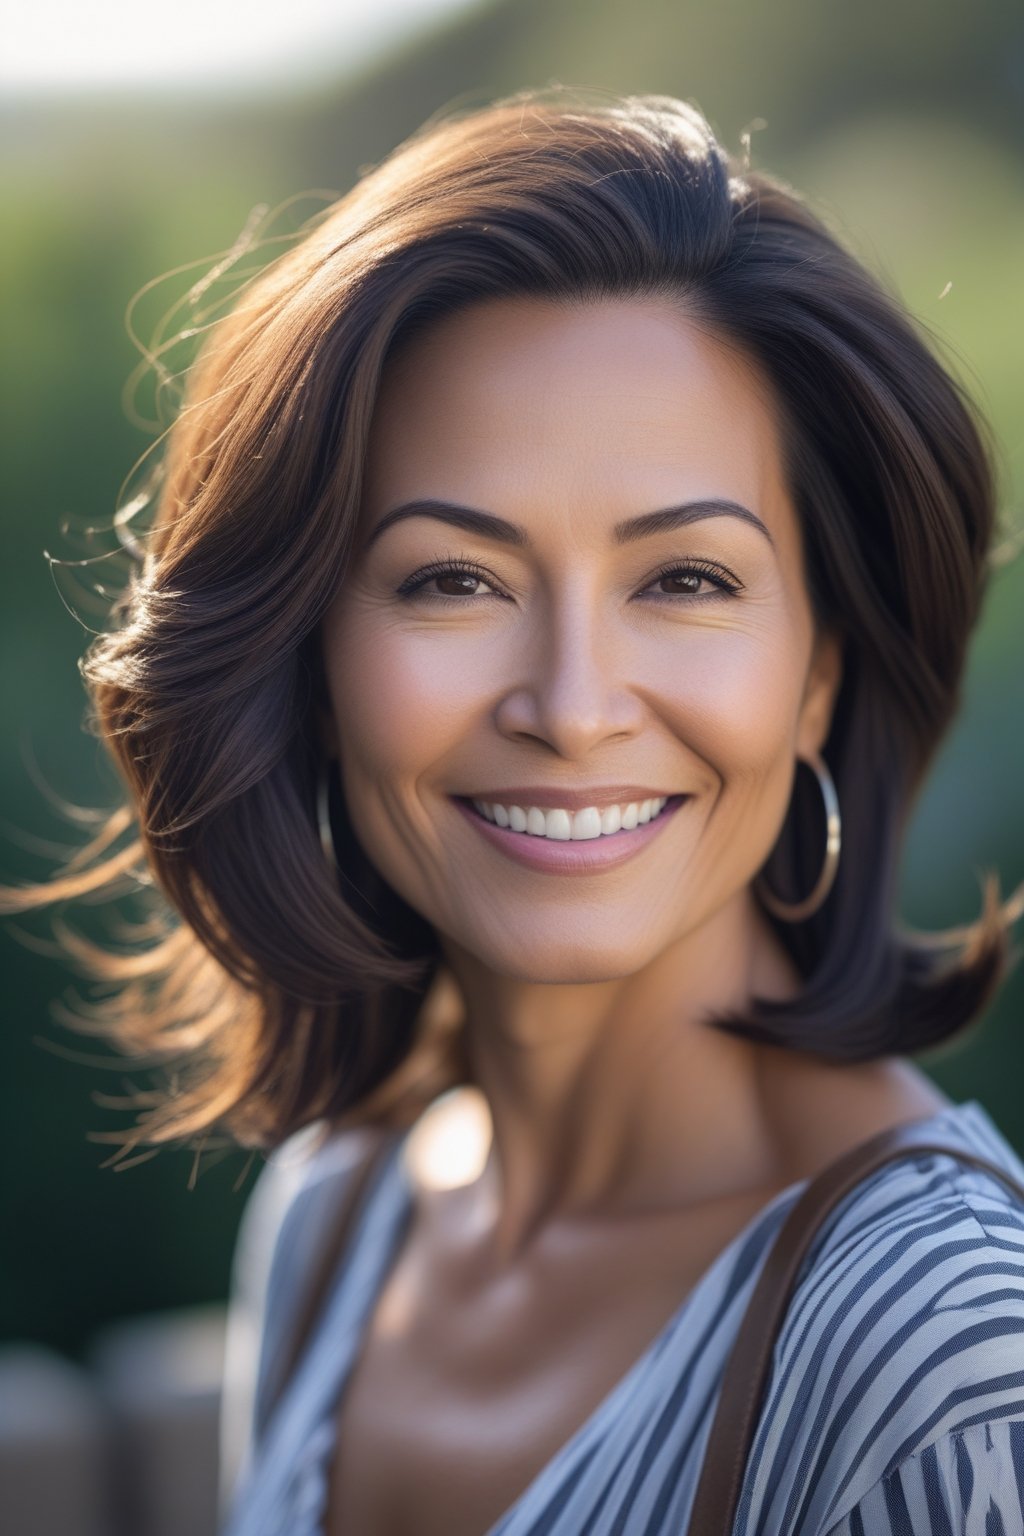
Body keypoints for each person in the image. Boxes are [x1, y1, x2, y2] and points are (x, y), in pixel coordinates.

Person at [8, 86, 1024, 1534]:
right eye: (452, 580)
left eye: (684, 580)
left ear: (818, 677)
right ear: (307, 658)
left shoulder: (949, 1353)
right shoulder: (342, 1213)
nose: (571, 702)